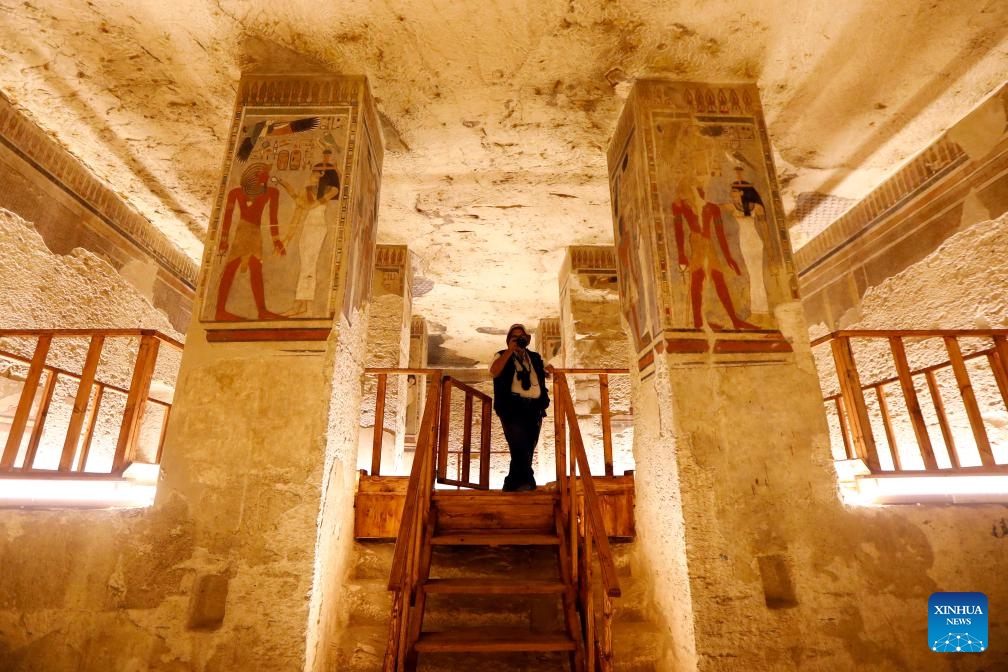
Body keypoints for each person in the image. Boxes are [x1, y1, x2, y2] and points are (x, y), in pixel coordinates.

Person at [214, 162, 286, 321]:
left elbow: (273, 219)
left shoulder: (272, 193)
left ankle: (261, 310)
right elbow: (227, 216)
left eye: (267, 174)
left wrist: (276, 241)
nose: (267, 176)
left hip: (255, 234)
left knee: (255, 269)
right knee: (231, 267)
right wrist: (224, 240)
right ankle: (220, 310)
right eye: (263, 173)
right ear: (253, 176)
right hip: (243, 232)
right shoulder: (236, 193)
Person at [489, 324, 551, 492]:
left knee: (529, 444)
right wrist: (510, 350)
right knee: (518, 443)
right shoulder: (502, 355)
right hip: (511, 407)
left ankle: (512, 483)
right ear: (509, 340)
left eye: (521, 337)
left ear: (527, 339)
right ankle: (527, 481)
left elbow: (546, 372)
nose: (519, 340)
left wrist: (549, 370)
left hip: (534, 407)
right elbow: (494, 372)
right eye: (514, 337)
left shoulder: (535, 358)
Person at [275, 163, 340, 316]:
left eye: (314, 173)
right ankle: (301, 306)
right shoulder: (307, 191)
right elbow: (297, 216)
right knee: (305, 265)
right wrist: (286, 240)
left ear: (322, 174)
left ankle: (306, 307)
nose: (311, 175)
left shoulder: (332, 190)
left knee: (309, 266)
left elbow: (310, 206)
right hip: (307, 228)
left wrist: (291, 191)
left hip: (318, 228)